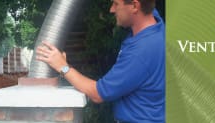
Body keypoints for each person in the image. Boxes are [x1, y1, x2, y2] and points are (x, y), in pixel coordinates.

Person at [36, 0, 165, 122]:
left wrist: (63, 67)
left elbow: (98, 94)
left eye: (116, 4)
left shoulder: (142, 51)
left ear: (135, 6)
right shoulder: (154, 23)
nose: (111, 9)